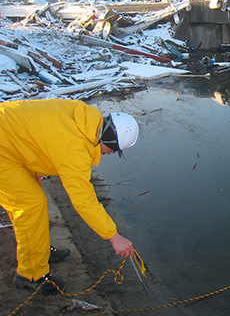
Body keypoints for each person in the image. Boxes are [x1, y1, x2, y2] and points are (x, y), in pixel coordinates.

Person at [0, 99, 139, 294]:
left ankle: (38, 251)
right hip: (3, 148)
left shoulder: (82, 117)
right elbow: (83, 200)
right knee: (31, 205)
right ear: (108, 141)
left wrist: (35, 171)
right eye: (114, 151)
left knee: (33, 199)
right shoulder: (76, 148)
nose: (109, 154)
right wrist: (114, 236)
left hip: (9, 136)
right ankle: (30, 275)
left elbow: (39, 133)